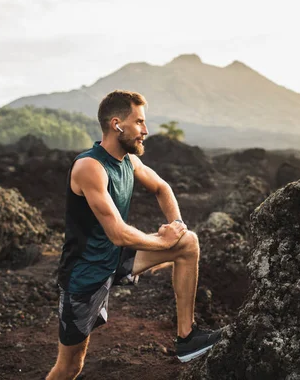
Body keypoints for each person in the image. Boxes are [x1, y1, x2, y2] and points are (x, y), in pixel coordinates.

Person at [46, 90, 222, 380]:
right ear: (117, 124)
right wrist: (162, 241)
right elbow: (118, 233)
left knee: (188, 242)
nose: (146, 130)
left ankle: (187, 337)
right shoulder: (90, 167)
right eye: (139, 122)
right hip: (85, 276)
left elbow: (162, 188)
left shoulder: (130, 161)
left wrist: (175, 226)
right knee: (69, 368)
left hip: (117, 258)